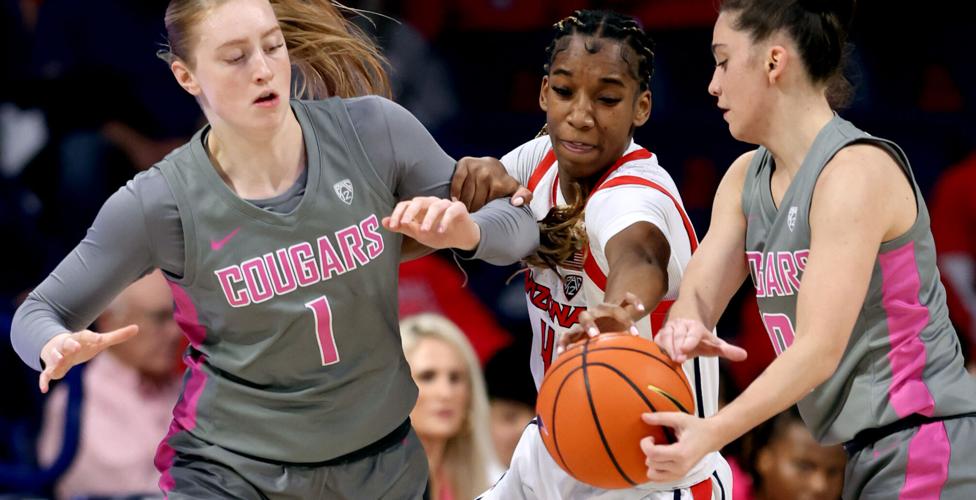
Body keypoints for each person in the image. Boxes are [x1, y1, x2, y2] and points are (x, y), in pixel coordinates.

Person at [10, 0, 539, 497]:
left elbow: (520, 226)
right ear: (186, 75)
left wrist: (466, 233)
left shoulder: (373, 132)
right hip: (231, 472)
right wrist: (52, 345)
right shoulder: (159, 202)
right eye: (236, 57)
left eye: (273, 46)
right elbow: (38, 310)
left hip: (379, 463)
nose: (263, 69)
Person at [387, 10, 731, 499]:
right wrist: (378, 239)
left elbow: (642, 255)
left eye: (608, 98)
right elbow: (447, 227)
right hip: (555, 448)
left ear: (642, 107)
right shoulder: (537, 159)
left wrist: (619, 310)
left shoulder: (637, 193)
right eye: (567, 92)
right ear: (544, 93)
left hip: (649, 474)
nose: (581, 115)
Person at [642, 1, 976, 498]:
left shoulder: (855, 172)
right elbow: (696, 298)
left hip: (928, 442)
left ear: (774, 63)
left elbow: (819, 349)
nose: (712, 84)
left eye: (723, 61)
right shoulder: (742, 180)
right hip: (864, 451)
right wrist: (685, 327)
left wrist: (713, 432)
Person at [36, 270, 183, 499]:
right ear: (109, 320)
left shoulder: (182, 386)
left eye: (177, 315)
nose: (175, 332)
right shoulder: (81, 404)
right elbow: (144, 492)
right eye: (160, 318)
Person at [400, 313, 500, 500]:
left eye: (455, 378)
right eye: (427, 376)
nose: (446, 393)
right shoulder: (373, 482)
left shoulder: (482, 481)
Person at [734, 407, 846, 500]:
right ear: (764, 458)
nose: (820, 486)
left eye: (833, 472)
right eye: (804, 466)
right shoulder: (724, 492)